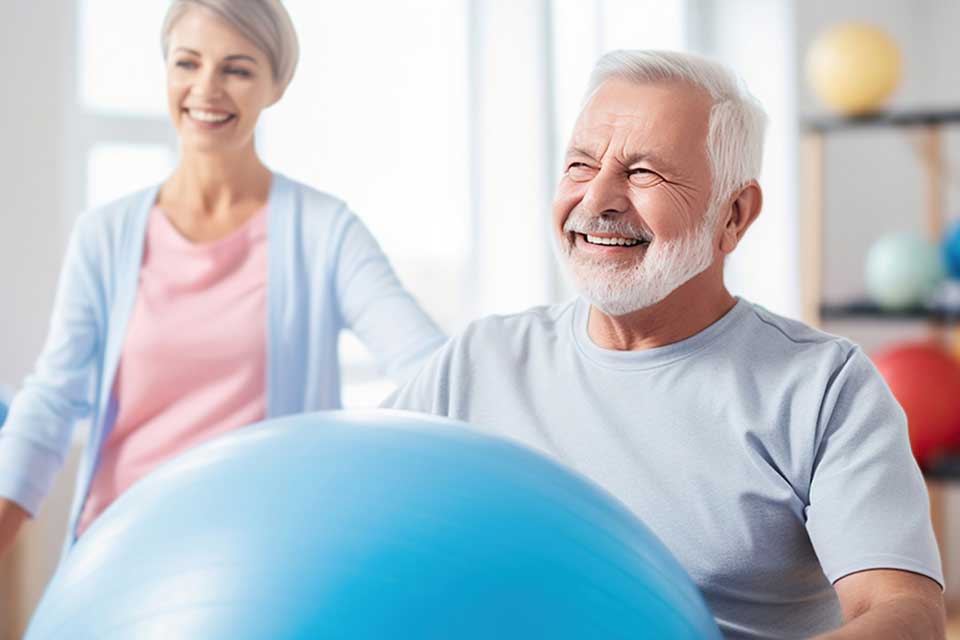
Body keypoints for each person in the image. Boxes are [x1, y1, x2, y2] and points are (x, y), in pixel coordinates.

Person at [384, 50, 945, 639]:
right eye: (580, 164)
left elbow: (904, 616)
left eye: (642, 172)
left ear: (733, 214)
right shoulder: (479, 360)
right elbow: (354, 514)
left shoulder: (823, 387)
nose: (597, 200)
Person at [0, 0, 443, 558]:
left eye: (237, 69)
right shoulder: (104, 235)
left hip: (258, 561)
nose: (206, 88)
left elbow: (428, 366)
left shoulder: (325, 231)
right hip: (115, 554)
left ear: (277, 84)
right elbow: (52, 400)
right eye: (188, 63)